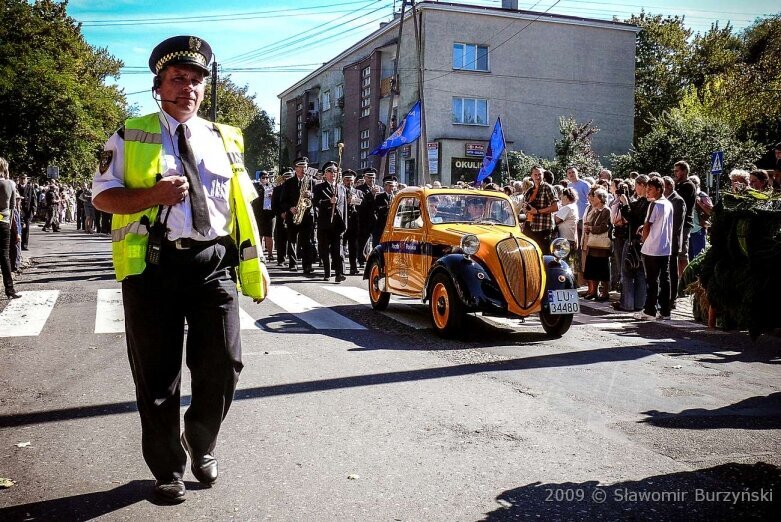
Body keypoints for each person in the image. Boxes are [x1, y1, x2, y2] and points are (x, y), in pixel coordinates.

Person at [91, 35, 268, 504]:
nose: (187, 87)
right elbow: (102, 196)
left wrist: (255, 260)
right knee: (157, 376)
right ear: (158, 86)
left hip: (214, 265)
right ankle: (167, 467)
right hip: (154, 268)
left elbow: (241, 207)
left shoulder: (226, 137)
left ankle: (201, 440)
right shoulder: (130, 134)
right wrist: (151, 196)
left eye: (195, 80)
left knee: (225, 365)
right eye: (177, 79)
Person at [635, 177, 673, 321]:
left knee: (652, 281)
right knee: (664, 279)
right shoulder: (668, 204)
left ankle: (650, 310)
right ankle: (665, 311)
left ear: (658, 189)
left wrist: (643, 240)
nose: (648, 191)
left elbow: (647, 224)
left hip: (652, 248)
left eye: (650, 188)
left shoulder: (655, 204)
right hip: (665, 246)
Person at [616, 175, 649, 312]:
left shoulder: (645, 202)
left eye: (636, 185)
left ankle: (627, 304)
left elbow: (631, 218)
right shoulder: (646, 202)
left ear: (641, 185)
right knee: (640, 273)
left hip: (633, 240)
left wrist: (624, 203)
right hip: (642, 242)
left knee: (627, 271)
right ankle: (639, 304)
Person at [312, 161, 347, 282]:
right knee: (324, 249)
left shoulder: (341, 188)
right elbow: (315, 203)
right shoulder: (319, 187)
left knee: (337, 250)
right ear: (325, 174)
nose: (333, 174)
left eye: (335, 172)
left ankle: (339, 273)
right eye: (330, 171)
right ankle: (327, 273)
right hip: (325, 224)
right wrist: (328, 202)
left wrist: (345, 224)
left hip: (338, 225)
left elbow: (344, 207)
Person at [281, 156, 315, 274]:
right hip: (293, 215)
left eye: (304, 166)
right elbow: (283, 200)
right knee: (292, 240)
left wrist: (311, 195)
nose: (303, 169)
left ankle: (307, 265)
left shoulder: (312, 181)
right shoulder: (289, 183)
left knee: (307, 241)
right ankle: (293, 263)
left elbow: (318, 197)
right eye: (300, 167)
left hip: (307, 216)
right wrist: (290, 208)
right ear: (295, 168)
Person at [582, 188, 611, 301]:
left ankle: (605, 292)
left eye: (595, 196)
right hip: (592, 243)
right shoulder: (595, 210)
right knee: (592, 267)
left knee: (602, 268)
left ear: (600, 198)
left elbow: (605, 226)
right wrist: (588, 226)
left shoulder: (606, 211)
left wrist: (591, 228)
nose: (592, 199)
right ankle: (594, 291)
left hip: (601, 245)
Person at [523, 165, 559, 254]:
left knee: (543, 255)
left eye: (540, 174)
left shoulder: (548, 188)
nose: (538, 177)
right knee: (529, 254)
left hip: (543, 228)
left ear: (543, 175)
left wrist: (537, 211)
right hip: (530, 227)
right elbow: (525, 207)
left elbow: (555, 207)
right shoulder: (530, 190)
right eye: (535, 175)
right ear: (531, 176)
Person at [663, 176, 686, 309]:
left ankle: (672, 298)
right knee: (665, 271)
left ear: (670, 186)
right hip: (664, 241)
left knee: (672, 270)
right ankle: (666, 296)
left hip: (672, 241)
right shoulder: (665, 200)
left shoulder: (677, 200)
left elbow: (676, 225)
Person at [0, 157, 21, 299]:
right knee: (4, 256)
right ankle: (9, 289)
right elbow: (13, 209)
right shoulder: (9, 184)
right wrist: (16, 230)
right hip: (4, 220)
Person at [672, 161, 696, 279]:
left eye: (677, 171)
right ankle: (679, 279)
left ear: (685, 171)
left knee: (682, 254)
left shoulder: (688, 185)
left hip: (684, 224)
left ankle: (685, 280)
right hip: (677, 223)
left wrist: (674, 185)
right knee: (677, 253)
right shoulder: (679, 185)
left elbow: (680, 201)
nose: (675, 173)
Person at [251, 171, 275, 260]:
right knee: (259, 234)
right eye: (263, 178)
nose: (265, 179)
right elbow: (253, 198)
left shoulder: (272, 186)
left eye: (267, 178)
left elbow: (277, 197)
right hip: (259, 213)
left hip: (270, 213)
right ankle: (260, 254)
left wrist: (273, 196)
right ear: (260, 178)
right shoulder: (256, 187)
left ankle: (270, 254)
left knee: (269, 234)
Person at [341, 169, 361, 275]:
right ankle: (341, 267)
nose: (349, 182)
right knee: (342, 245)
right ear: (343, 180)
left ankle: (353, 266)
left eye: (351, 180)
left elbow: (364, 206)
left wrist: (356, 201)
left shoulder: (358, 192)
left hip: (354, 222)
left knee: (353, 246)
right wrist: (346, 201)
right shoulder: (340, 190)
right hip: (342, 222)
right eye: (347, 180)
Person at [688, 175, 712, 260]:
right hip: (688, 231)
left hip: (698, 229)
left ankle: (699, 273)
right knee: (689, 258)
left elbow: (711, 211)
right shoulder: (687, 195)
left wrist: (700, 203)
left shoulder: (702, 195)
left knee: (699, 257)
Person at [271, 169, 292, 266]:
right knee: (281, 239)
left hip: (292, 216)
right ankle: (281, 259)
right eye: (286, 177)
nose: (288, 179)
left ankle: (292, 260)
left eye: (290, 177)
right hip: (281, 217)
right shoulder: (277, 189)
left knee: (292, 239)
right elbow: (274, 205)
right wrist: (280, 213)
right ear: (283, 178)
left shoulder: (294, 188)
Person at [554, 187, 579, 266]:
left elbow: (556, 220)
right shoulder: (574, 207)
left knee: (562, 264)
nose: (560, 198)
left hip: (564, 240)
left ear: (566, 197)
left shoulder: (567, 207)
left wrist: (553, 214)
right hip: (570, 239)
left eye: (562, 196)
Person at [372, 175, 396, 247]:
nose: (391, 188)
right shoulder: (379, 196)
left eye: (392, 186)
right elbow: (376, 210)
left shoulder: (396, 197)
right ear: (385, 186)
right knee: (378, 245)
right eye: (389, 186)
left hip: (391, 225)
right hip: (380, 225)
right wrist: (387, 207)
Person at [17, 173, 36, 250]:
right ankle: (18, 244)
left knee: (26, 228)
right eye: (21, 178)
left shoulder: (30, 188)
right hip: (18, 210)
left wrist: (34, 209)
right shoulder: (16, 187)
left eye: (24, 178)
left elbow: (33, 199)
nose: (23, 180)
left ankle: (24, 245)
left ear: (26, 179)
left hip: (27, 211)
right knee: (18, 228)